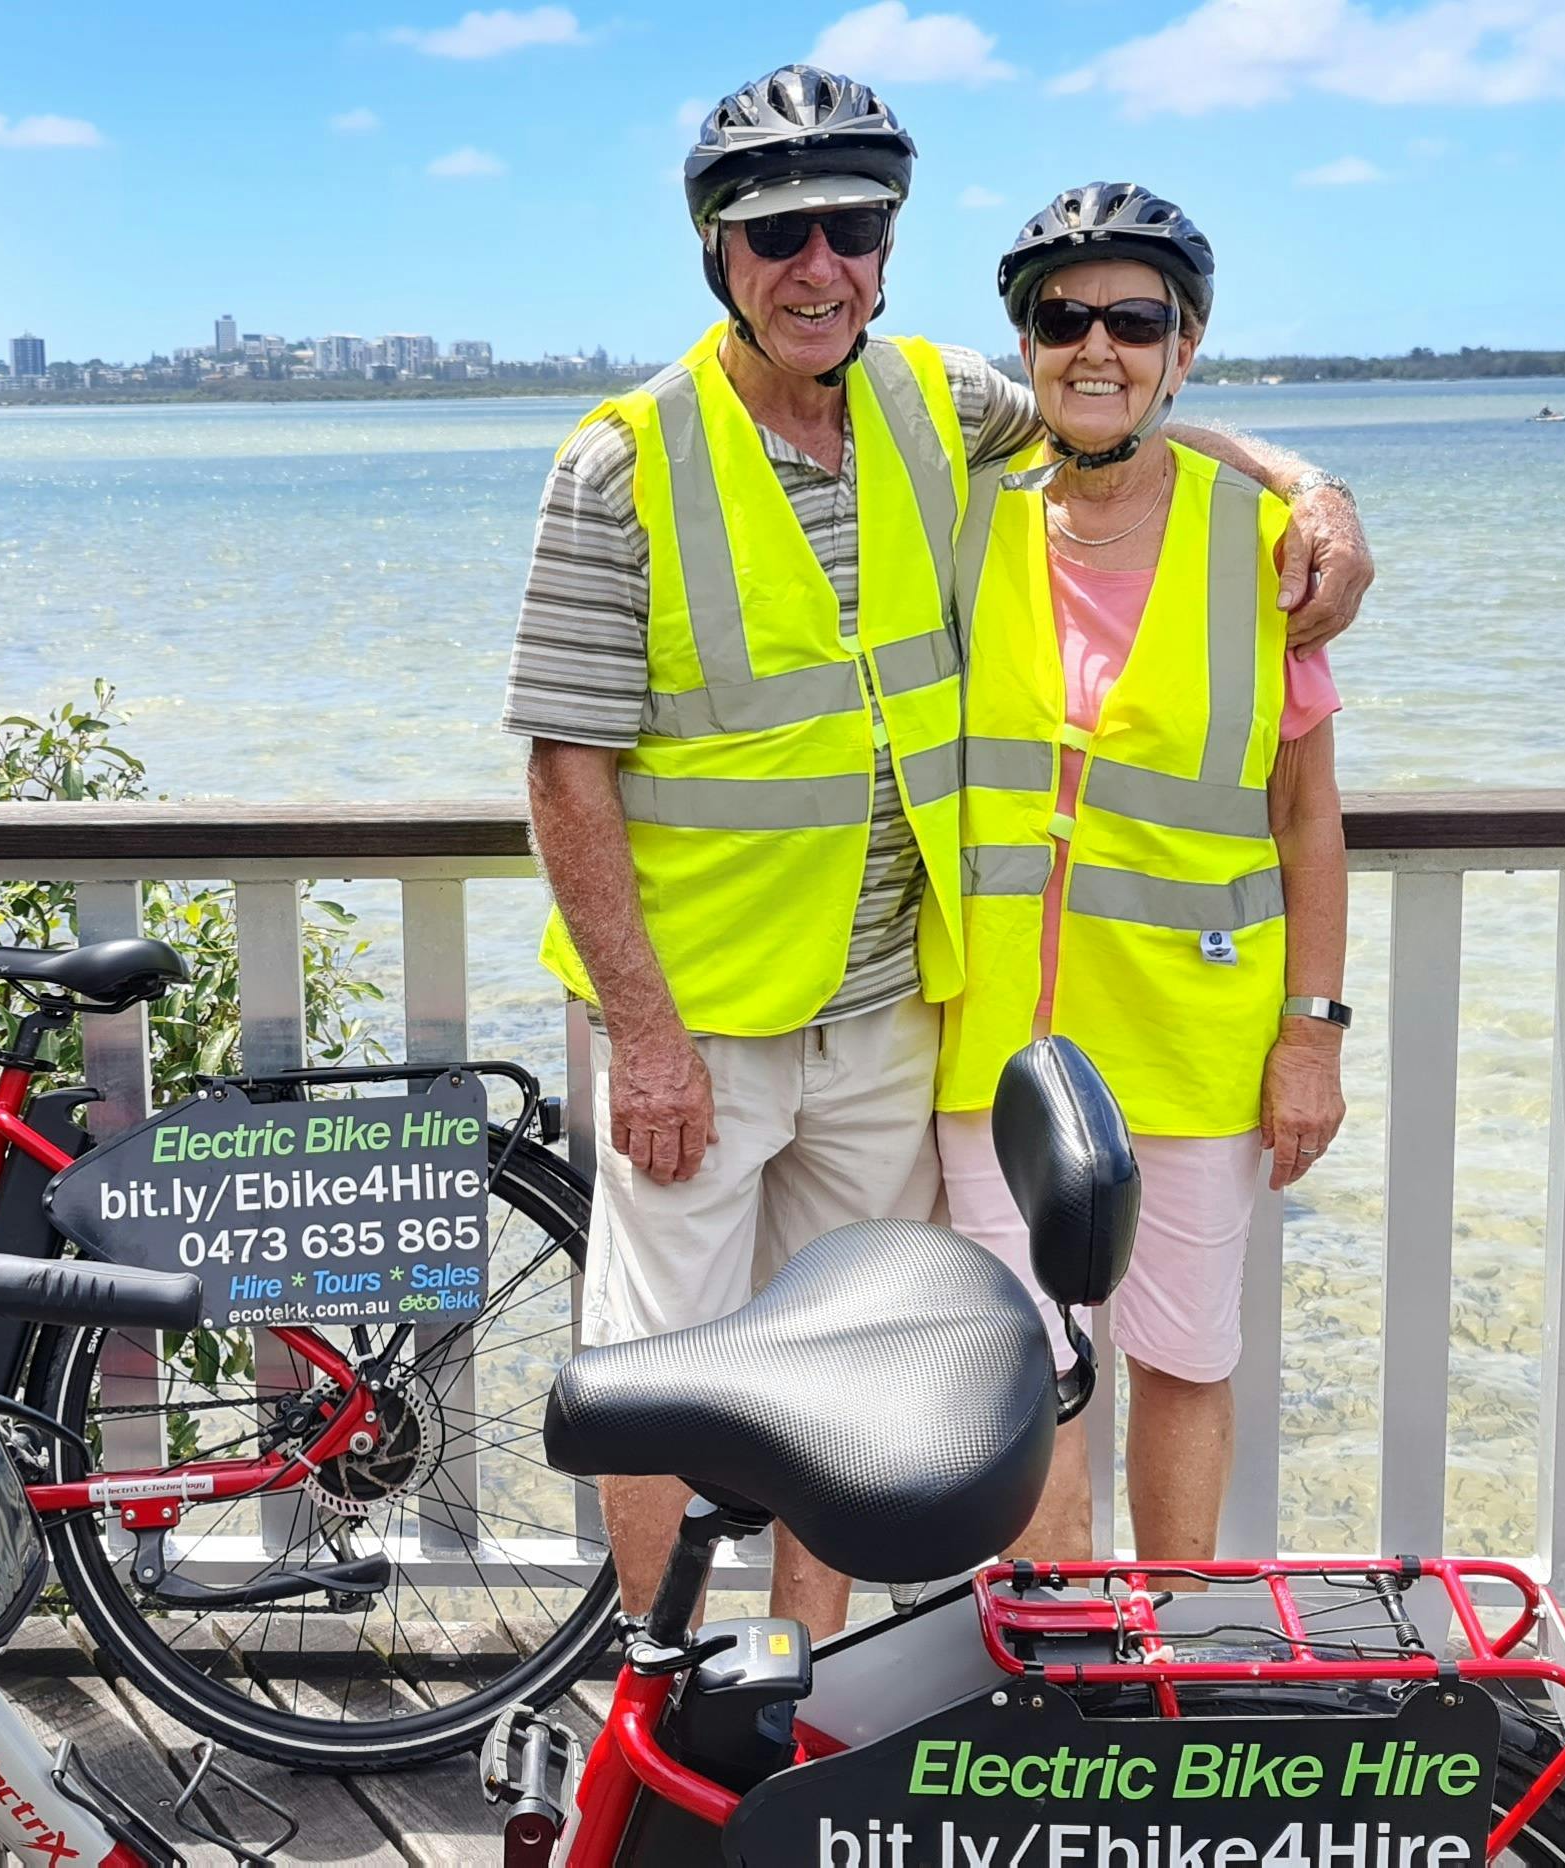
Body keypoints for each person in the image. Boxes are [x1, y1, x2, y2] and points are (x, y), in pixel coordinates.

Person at [501, 70, 1373, 1632]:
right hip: (697, 1021)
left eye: (849, 227)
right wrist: (641, 1032)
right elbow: (565, 773)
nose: (815, 262)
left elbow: (1124, 409)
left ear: (889, 247)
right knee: (658, 1376)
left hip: (897, 1009)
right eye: (777, 231)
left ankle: (805, 1692)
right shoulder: (620, 463)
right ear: (719, 254)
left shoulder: (935, 404)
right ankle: (667, 1704)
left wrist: (1315, 487)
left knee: (848, 1382)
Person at [930, 183, 1352, 1563]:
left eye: (1134, 320)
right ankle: (1052, 1675)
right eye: (1063, 319)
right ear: (1025, 344)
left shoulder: (1264, 546)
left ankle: (1162, 1668)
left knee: (1182, 1355)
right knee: (1020, 1380)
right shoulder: (961, 522)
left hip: (1194, 1039)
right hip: (998, 1045)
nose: (1095, 347)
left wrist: (1314, 1036)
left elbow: (1307, 817)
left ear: (1186, 345)